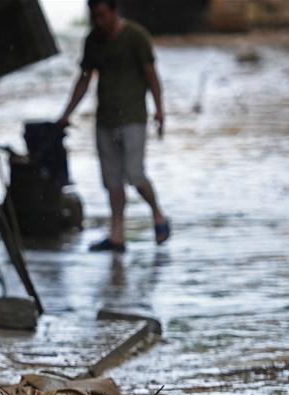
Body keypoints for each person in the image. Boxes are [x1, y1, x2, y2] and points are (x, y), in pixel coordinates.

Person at [57, 0, 170, 252]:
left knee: (135, 175)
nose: (99, 21)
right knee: (112, 182)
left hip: (133, 118)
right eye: (94, 17)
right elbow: (84, 79)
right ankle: (117, 235)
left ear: (114, 12)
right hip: (105, 120)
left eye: (102, 16)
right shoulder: (93, 40)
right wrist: (67, 113)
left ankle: (158, 215)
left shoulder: (136, 37)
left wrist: (160, 110)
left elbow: (151, 75)